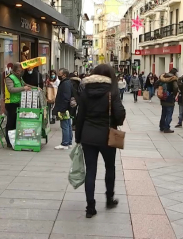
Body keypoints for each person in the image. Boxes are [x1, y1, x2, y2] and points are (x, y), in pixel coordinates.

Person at [75, 64, 126, 218]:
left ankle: (90, 207)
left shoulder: (85, 91)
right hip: (107, 136)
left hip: (88, 136)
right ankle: (109, 198)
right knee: (110, 167)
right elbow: (119, 115)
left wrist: (78, 137)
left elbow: (80, 116)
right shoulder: (112, 92)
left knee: (90, 170)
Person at [3, 63, 33, 148]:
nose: (21, 72)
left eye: (21, 70)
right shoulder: (9, 77)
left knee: (17, 122)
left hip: (18, 102)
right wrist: (24, 89)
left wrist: (34, 87)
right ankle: (9, 141)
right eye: (19, 70)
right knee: (11, 122)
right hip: (11, 103)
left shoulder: (19, 78)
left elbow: (24, 84)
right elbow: (11, 89)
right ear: (15, 70)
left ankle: (15, 139)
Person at [53, 68, 73, 149]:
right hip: (66, 108)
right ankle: (69, 142)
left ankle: (65, 143)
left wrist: (62, 109)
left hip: (64, 108)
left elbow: (65, 97)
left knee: (65, 125)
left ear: (64, 75)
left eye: (59, 73)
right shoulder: (67, 82)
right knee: (68, 125)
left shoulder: (65, 84)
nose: (58, 75)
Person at [156, 68, 179, 133]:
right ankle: (167, 127)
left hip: (163, 98)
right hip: (170, 98)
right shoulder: (173, 79)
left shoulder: (163, 77)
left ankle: (161, 126)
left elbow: (156, 84)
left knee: (163, 113)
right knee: (169, 113)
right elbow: (176, 87)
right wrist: (174, 94)